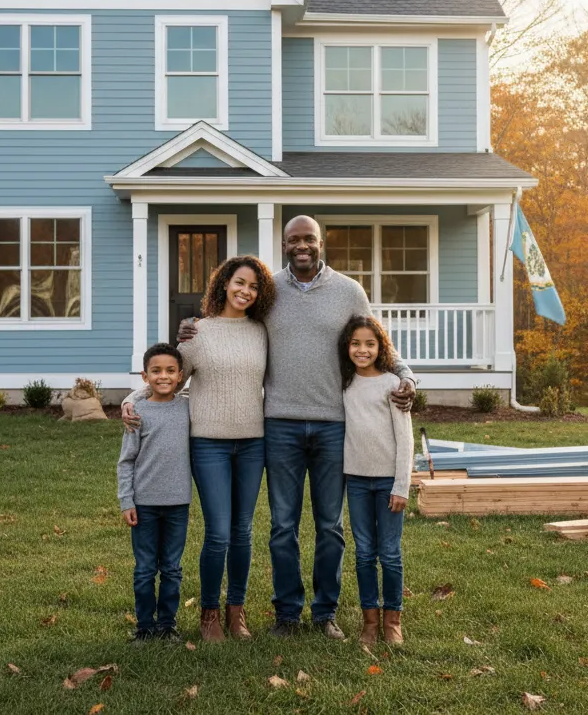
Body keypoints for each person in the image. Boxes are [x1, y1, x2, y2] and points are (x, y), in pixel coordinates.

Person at [177, 215, 416, 640]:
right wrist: (195, 327)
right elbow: (235, 324)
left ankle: (324, 614)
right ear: (284, 244)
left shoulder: (348, 291)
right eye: (293, 240)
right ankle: (287, 614)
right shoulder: (270, 291)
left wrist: (407, 375)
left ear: (321, 243)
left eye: (309, 239)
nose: (301, 246)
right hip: (279, 425)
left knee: (330, 526)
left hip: (332, 425)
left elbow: (379, 340)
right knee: (282, 526)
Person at [121, 256, 275, 643]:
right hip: (208, 444)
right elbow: (166, 376)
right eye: (240, 282)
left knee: (243, 532)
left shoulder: (262, 331)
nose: (246, 291)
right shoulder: (197, 334)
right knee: (219, 533)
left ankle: (235, 611)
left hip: (253, 442)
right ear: (224, 283)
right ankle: (208, 614)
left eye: (254, 287)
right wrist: (130, 398)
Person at [339, 315, 415, 646]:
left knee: (390, 552)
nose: (362, 350)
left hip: (388, 482)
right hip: (356, 482)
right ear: (347, 347)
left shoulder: (391, 385)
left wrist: (401, 486)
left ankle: (392, 622)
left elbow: (406, 440)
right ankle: (369, 622)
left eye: (370, 343)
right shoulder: (343, 384)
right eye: (355, 343)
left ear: (380, 347)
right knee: (364, 552)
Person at [116, 343, 190, 643]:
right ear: (145, 376)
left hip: (177, 504)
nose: (163, 376)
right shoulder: (137, 414)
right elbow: (126, 461)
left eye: (170, 371)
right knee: (145, 569)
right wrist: (126, 500)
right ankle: (145, 627)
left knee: (172, 568)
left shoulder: (187, 408)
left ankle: (167, 625)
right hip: (144, 505)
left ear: (180, 376)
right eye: (156, 371)